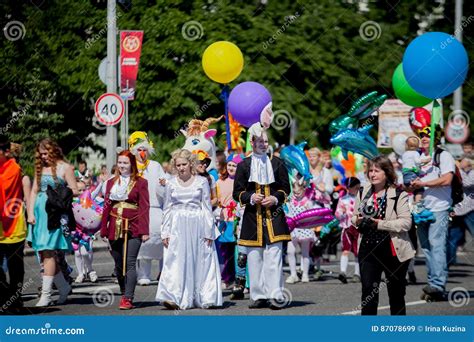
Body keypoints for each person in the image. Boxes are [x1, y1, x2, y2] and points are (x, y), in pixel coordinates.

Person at [232, 123, 291, 310]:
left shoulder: (277, 163)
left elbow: (285, 189)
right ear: (252, 142)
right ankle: (258, 296)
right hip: (252, 218)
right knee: (254, 258)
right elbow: (237, 193)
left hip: (274, 217)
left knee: (274, 258)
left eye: (266, 141)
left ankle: (276, 296)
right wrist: (250, 197)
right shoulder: (243, 165)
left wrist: (275, 198)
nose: (263, 144)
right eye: (259, 141)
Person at [156, 149, 222, 310]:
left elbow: (206, 207)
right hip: (177, 224)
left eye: (184, 164)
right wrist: (165, 232)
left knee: (202, 259)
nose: (181, 167)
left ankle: (206, 296)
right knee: (175, 259)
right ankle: (173, 296)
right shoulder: (170, 183)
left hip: (198, 223)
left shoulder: (201, 182)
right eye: (178, 165)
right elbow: (167, 208)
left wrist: (209, 231)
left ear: (191, 164)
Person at [352, 155, 415, 315]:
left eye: (377, 171)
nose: (372, 174)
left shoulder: (399, 194)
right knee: (368, 292)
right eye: (370, 170)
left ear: (386, 173)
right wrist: (358, 221)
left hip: (393, 249)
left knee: (396, 294)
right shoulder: (362, 192)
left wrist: (378, 223)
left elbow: (406, 223)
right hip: (368, 248)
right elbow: (353, 216)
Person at [27, 138, 79, 307]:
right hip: (39, 214)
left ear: (53, 150)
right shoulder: (40, 168)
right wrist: (30, 214)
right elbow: (34, 191)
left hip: (55, 214)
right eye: (40, 154)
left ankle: (46, 295)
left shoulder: (66, 167)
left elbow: (75, 190)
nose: (43, 157)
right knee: (43, 253)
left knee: (49, 252)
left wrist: (60, 193)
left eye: (45, 153)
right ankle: (63, 287)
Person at [100, 150, 150, 310]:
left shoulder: (141, 182)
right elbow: (107, 207)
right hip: (114, 226)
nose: (122, 165)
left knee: (129, 262)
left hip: (133, 227)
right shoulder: (110, 183)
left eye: (125, 163)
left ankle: (128, 298)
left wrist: (144, 230)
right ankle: (124, 291)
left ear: (132, 164)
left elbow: (144, 207)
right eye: (120, 162)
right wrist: (103, 229)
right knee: (118, 264)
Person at [411, 126, 455, 297]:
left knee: (436, 245)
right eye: (422, 135)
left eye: (428, 135)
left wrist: (423, 184)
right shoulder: (418, 157)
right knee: (427, 247)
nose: (424, 138)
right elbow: (409, 182)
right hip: (421, 208)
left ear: (436, 138)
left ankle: (438, 284)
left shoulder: (443, 155)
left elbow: (447, 179)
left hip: (439, 207)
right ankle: (433, 283)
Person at [128, 131, 166, 286]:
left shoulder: (155, 166)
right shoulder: (130, 167)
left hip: (156, 208)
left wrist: (162, 186)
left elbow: (163, 188)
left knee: (160, 240)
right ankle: (144, 273)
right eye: (139, 150)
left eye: (144, 150)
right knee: (142, 244)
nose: (142, 153)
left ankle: (164, 272)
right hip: (138, 210)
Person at [0, 138, 27, 312]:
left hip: (13, 226)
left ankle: (14, 301)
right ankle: (5, 298)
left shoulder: (14, 169)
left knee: (15, 267)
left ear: (5, 152)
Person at [216, 153, 244, 289]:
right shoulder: (219, 182)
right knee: (225, 250)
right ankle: (227, 278)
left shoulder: (242, 182)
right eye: (229, 165)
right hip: (224, 218)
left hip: (237, 218)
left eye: (234, 165)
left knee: (237, 250)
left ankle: (239, 279)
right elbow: (216, 198)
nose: (231, 168)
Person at [284, 174, 317, 284]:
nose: (296, 192)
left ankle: (305, 274)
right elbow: (287, 213)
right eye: (294, 189)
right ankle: (293, 274)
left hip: (305, 229)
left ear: (304, 189)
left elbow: (312, 216)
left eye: (299, 190)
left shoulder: (308, 202)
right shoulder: (290, 200)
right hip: (293, 229)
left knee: (305, 253)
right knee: (290, 251)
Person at [335, 177, 361, 284]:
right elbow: (337, 213)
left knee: (357, 252)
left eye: (354, 187)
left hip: (359, 229)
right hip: (347, 228)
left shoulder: (362, 199)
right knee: (345, 250)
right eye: (349, 188)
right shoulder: (343, 199)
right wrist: (342, 213)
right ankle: (342, 272)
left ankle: (357, 273)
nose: (351, 190)